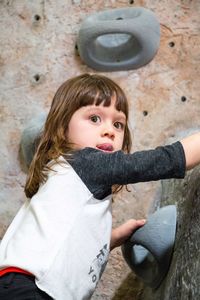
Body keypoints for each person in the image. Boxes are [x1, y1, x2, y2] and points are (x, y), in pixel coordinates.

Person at [0, 73, 199, 300]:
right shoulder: (85, 162)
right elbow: (164, 160)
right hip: (30, 289)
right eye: (95, 118)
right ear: (62, 126)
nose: (109, 130)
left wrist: (110, 240)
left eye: (118, 123)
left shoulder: (63, 176)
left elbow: (66, 236)